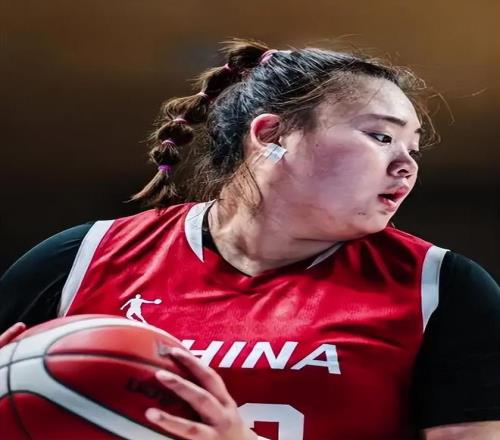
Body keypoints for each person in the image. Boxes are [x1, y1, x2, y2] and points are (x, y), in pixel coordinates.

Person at [1, 39, 499, 440]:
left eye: (414, 148)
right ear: (271, 135)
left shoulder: (442, 287)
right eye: (381, 137)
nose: (406, 165)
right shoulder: (81, 259)